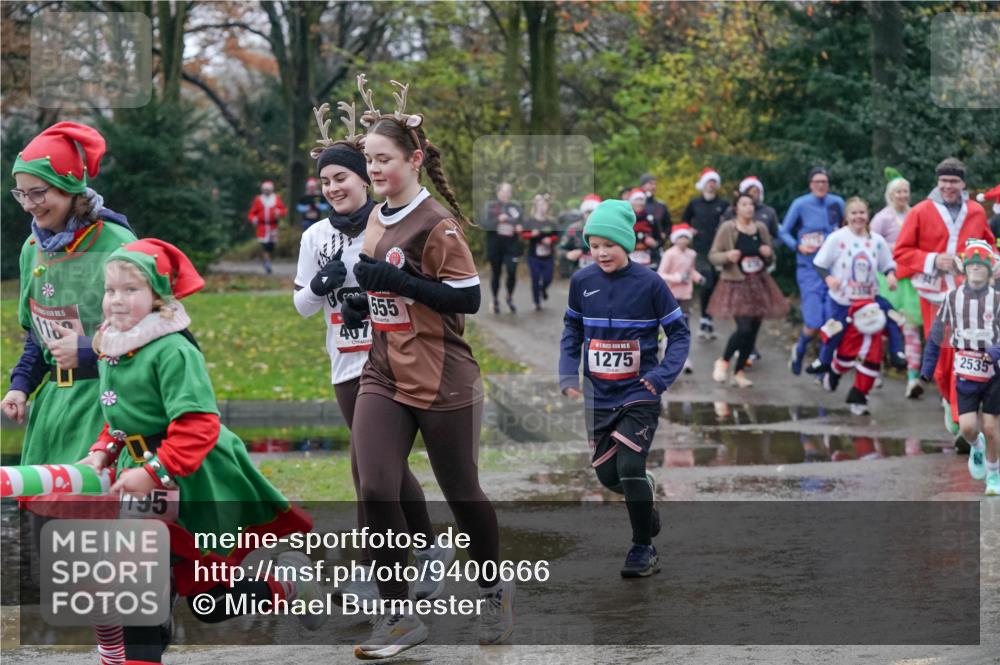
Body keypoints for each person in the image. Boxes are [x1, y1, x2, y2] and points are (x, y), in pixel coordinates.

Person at [80, 239, 323, 663]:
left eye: (130, 290)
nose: (116, 300)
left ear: (158, 296)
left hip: (190, 476)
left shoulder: (172, 349)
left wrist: (153, 471)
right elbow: (118, 415)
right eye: (110, 290)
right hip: (143, 484)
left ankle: (287, 584)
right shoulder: (112, 344)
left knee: (208, 602)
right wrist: (103, 450)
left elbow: (198, 425)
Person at [343, 75, 511, 657]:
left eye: (384, 159)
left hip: (442, 378)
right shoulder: (377, 216)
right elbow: (383, 291)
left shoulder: (437, 223)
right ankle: (398, 616)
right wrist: (363, 299)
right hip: (383, 372)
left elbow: (467, 299)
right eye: (369, 160)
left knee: (462, 494)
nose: (375, 171)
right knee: (375, 486)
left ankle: (492, 590)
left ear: (413, 159)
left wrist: (398, 281)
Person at [294, 100, 450, 605]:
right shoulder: (316, 236)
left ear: (365, 177)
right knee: (382, 469)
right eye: (326, 182)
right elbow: (301, 305)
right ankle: (426, 548)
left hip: (388, 360)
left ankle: (374, 572)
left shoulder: (385, 225)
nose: (334, 188)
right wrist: (323, 284)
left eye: (343, 177)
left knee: (368, 469)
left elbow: (420, 289)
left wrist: (373, 299)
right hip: (344, 359)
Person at [558, 199, 689, 577]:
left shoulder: (650, 284)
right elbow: (572, 332)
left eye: (608, 245)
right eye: (594, 244)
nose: (600, 252)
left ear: (626, 245)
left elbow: (679, 334)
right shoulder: (582, 282)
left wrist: (662, 375)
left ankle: (642, 547)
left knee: (630, 465)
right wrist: (568, 375)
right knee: (608, 476)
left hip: (640, 391)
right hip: (599, 395)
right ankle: (644, 496)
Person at [1, 122, 137, 466]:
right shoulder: (33, 248)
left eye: (38, 193)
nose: (28, 205)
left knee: (94, 515)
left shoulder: (118, 244)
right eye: (21, 194)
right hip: (52, 411)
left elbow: (151, 337)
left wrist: (87, 351)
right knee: (44, 515)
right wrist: (20, 385)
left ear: (68, 188)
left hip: (106, 405)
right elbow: (38, 336)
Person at [894, 157, 994, 445]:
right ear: (938, 182)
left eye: (954, 181)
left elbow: (987, 247)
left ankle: (963, 423)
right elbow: (901, 252)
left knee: (965, 354)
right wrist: (933, 259)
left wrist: (992, 264)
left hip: (969, 296)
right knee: (941, 359)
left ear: (963, 183)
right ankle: (951, 406)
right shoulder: (921, 211)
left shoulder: (975, 211)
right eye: (944, 181)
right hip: (934, 295)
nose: (949, 186)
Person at [920, 239, 999, 495]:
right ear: (964, 269)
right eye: (972, 266)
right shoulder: (952, 298)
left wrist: (995, 352)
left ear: (990, 270)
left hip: (994, 374)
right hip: (965, 371)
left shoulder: (997, 300)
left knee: (991, 426)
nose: (976, 271)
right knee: (967, 427)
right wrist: (927, 368)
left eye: (981, 267)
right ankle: (977, 446)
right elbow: (936, 334)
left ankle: (994, 475)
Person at [812, 198, 903, 414]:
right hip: (843, 301)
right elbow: (819, 263)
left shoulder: (877, 241)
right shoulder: (837, 238)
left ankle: (861, 395)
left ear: (868, 215)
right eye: (854, 213)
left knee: (893, 320)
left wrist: (890, 276)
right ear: (847, 216)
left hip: (870, 302)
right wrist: (829, 280)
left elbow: (888, 264)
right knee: (838, 339)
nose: (858, 217)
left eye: (862, 212)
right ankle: (828, 366)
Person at [708, 192, 790, 388]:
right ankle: (724, 361)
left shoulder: (760, 228)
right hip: (736, 283)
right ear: (736, 208)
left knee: (753, 332)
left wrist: (768, 253)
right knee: (743, 328)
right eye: (744, 204)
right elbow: (713, 255)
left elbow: (769, 257)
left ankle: (739, 372)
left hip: (758, 283)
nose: (749, 208)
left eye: (751, 204)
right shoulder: (728, 228)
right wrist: (728, 255)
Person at [779, 167, 845, 375]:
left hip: (833, 270)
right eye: (817, 181)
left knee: (831, 321)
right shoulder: (800, 204)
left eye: (824, 181)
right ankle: (799, 349)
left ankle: (822, 366)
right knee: (814, 321)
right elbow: (783, 231)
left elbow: (844, 229)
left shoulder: (837, 203)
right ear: (810, 184)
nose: (821, 185)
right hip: (808, 269)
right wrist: (797, 246)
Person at [870, 168, 925, 399]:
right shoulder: (882, 218)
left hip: (911, 281)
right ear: (890, 194)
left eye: (906, 191)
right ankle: (874, 372)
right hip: (889, 280)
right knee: (883, 328)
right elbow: (871, 245)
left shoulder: (916, 215)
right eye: (899, 191)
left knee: (911, 328)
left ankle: (913, 379)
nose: (903, 195)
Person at [681, 167, 729, 340]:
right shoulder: (694, 203)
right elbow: (684, 221)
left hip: (718, 249)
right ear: (703, 184)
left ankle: (709, 319)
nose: (711, 186)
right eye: (709, 182)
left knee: (715, 285)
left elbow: (729, 223)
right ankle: (704, 319)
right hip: (700, 250)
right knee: (706, 282)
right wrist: (690, 231)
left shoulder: (723, 204)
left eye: (714, 182)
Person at [657, 223, 704, 374]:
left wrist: (698, 278)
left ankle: (684, 358)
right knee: (669, 327)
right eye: (680, 237)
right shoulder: (669, 254)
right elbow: (661, 274)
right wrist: (677, 277)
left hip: (686, 295)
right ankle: (666, 356)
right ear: (675, 239)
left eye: (686, 237)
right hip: (671, 295)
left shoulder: (691, 254)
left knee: (685, 327)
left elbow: (690, 270)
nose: (683, 240)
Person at [482, 181, 523, 313]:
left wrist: (520, 228)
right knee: (496, 273)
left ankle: (509, 297)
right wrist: (498, 219)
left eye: (508, 191)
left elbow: (522, 224)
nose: (506, 194)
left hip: (511, 247)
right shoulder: (490, 207)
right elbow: (485, 225)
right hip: (495, 247)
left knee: (512, 272)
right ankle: (494, 299)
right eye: (503, 191)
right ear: (498, 193)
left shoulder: (516, 207)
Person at [521, 193, 559, 310]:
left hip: (548, 256)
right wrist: (531, 234)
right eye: (540, 204)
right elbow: (523, 235)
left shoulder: (551, 222)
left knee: (548, 278)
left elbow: (557, 236)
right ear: (536, 206)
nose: (543, 207)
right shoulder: (530, 221)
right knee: (535, 278)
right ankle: (536, 302)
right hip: (534, 256)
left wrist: (550, 239)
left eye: (545, 205)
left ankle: (543, 289)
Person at [246, 180, 287, 274]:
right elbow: (252, 213)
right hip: (262, 227)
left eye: (268, 189)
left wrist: (279, 212)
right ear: (263, 190)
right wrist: (254, 219)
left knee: (271, 246)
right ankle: (267, 262)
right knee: (265, 246)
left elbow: (283, 210)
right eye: (265, 189)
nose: (266, 191)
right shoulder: (258, 199)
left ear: (271, 190)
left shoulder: (276, 199)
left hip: (273, 227)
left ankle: (267, 260)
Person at [560, 194, 600, 274]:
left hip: (603, 273)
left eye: (594, 211)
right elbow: (559, 249)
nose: (591, 215)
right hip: (579, 272)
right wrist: (568, 254)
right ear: (583, 213)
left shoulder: (607, 228)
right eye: (588, 212)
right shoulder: (573, 229)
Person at [628, 188, 663, 268]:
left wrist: (655, 243)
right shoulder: (626, 220)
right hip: (629, 259)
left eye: (641, 200)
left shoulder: (651, 219)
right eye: (637, 200)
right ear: (631, 202)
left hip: (650, 259)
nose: (639, 203)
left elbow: (660, 240)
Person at [639, 173, 672, 238]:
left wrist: (664, 235)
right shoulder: (635, 204)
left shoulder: (661, 205)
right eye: (650, 184)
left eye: (655, 184)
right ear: (643, 185)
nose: (654, 187)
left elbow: (668, 224)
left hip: (657, 243)